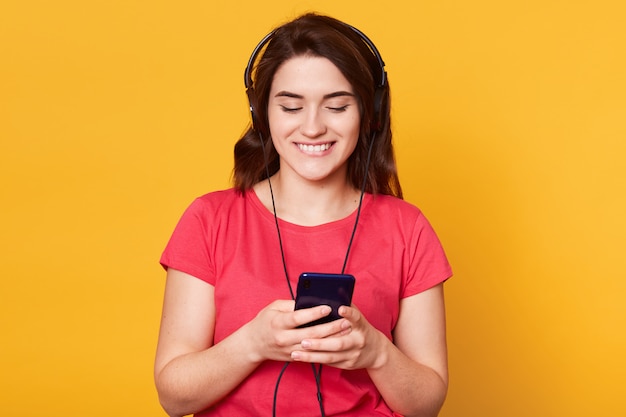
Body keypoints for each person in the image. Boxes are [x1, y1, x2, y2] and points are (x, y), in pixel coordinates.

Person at [155, 12, 452, 417]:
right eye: (291, 107)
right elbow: (174, 398)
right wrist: (253, 343)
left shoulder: (408, 228)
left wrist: (377, 352)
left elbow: (426, 405)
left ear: (370, 113)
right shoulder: (209, 219)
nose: (312, 127)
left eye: (337, 106)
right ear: (262, 115)